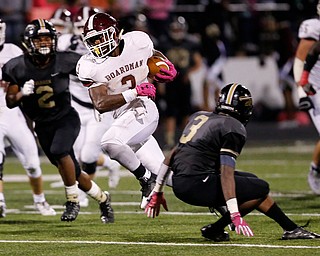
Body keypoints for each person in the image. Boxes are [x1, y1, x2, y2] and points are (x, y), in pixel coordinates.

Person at [144, 83, 320, 241]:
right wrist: (235, 214)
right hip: (197, 184)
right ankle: (216, 228)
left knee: (252, 180)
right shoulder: (233, 127)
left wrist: (157, 192)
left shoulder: (200, 117)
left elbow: (170, 157)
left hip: (181, 182)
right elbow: (226, 172)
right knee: (260, 188)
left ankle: (291, 228)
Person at [2, 18, 114, 223]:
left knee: (60, 152)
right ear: (29, 42)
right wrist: (21, 95)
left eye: (47, 39)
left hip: (65, 119)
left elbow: (93, 74)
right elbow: (10, 101)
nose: (44, 43)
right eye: (39, 39)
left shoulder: (65, 60)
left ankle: (72, 201)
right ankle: (104, 199)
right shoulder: (16, 66)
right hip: (42, 125)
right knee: (73, 170)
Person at [76, 12, 177, 207]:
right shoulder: (90, 65)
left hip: (143, 109)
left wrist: (164, 63)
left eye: (99, 38)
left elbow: (153, 55)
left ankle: (146, 180)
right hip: (124, 118)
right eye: (92, 41)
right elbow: (101, 103)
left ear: (114, 34)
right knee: (167, 175)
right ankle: (218, 200)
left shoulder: (138, 41)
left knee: (110, 142)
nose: (96, 44)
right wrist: (134, 91)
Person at [55, 6, 122, 207]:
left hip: (97, 109)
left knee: (88, 155)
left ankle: (84, 194)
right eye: (77, 27)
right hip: (75, 105)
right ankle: (109, 164)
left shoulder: (108, 47)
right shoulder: (66, 42)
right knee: (73, 154)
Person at [0, 19, 55, 218]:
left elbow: (30, 78)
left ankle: (40, 200)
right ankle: (0, 202)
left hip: (13, 114)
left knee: (32, 162)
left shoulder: (13, 51)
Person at [293, 1, 320, 195]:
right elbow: (301, 59)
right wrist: (301, 91)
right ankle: (316, 170)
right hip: (316, 87)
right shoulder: (314, 27)